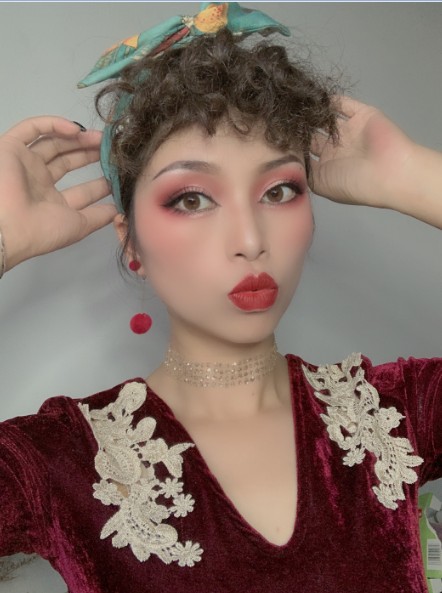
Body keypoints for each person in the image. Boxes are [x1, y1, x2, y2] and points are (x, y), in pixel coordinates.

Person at [0, 3, 441, 592]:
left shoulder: (397, 413)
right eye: (191, 199)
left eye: (279, 191)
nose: (251, 240)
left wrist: (413, 176)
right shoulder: (60, 460)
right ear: (132, 244)